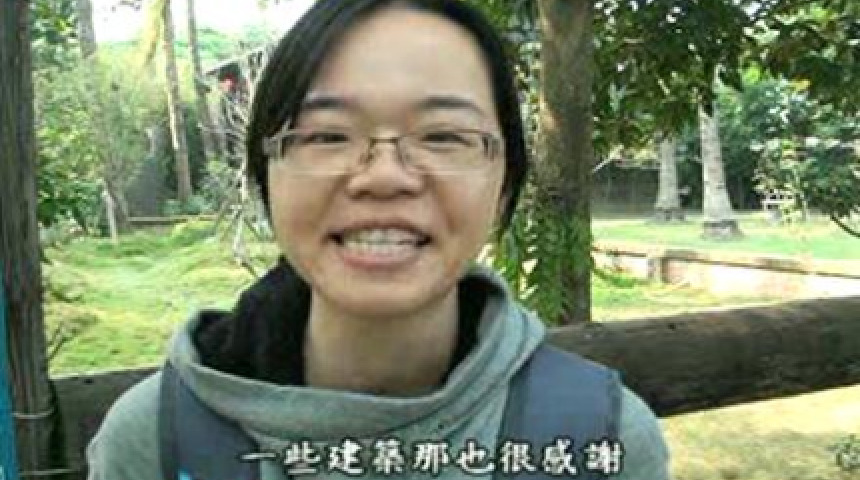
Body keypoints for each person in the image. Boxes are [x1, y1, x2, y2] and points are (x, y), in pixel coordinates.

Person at [86, 1, 670, 479]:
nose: (384, 176)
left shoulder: (601, 440)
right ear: (267, 178)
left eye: (443, 136)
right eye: (328, 135)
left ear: (504, 186)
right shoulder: (156, 441)